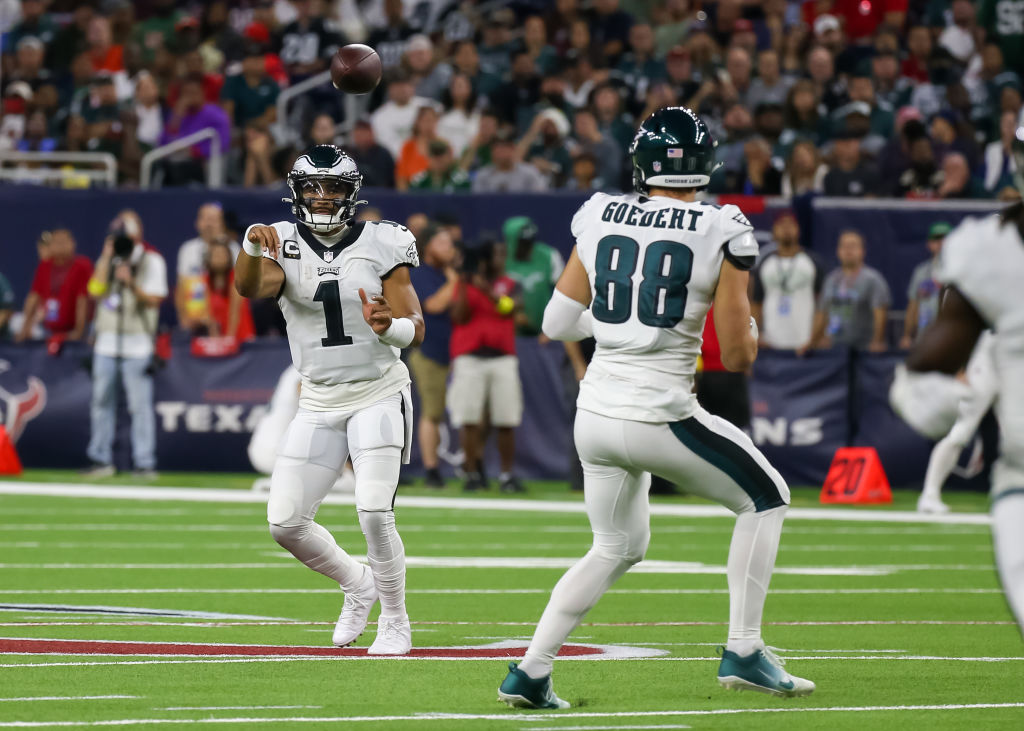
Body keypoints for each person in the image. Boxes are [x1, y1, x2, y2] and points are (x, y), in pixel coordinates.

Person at [498, 108, 813, 710]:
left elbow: (557, 320)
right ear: (704, 165)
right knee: (766, 497)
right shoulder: (721, 227)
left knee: (615, 546)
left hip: (593, 416)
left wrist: (620, 327)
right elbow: (740, 354)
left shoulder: (598, 212)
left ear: (642, 163)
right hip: (658, 411)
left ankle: (531, 671)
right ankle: (744, 648)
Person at [234, 144, 424, 655]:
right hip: (317, 399)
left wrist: (391, 327)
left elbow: (416, 326)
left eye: (333, 188)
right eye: (312, 188)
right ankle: (358, 584)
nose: (322, 198)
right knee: (286, 523)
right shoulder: (282, 241)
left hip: (378, 392)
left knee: (373, 511)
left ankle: (396, 620)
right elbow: (250, 288)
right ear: (296, 192)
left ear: (352, 193)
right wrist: (251, 249)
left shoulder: (385, 241)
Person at [891, 136, 1024, 636]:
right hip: (1020, 475)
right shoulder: (989, 246)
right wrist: (925, 385)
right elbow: (934, 359)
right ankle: (930, 492)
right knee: (963, 424)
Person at [83, 211, 168, 478]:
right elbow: (94, 291)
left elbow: (155, 299)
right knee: (100, 401)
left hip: (138, 343)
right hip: (106, 343)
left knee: (139, 405)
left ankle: (144, 462)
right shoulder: (108, 260)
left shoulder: (151, 261)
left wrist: (131, 284)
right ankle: (101, 459)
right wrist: (108, 257)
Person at [448, 240, 525, 493]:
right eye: (497, 253)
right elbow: (459, 316)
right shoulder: (466, 284)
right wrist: (464, 283)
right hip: (470, 356)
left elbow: (511, 308)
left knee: (506, 418)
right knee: (468, 418)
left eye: (503, 253)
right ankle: (472, 474)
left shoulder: (511, 284)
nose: (501, 258)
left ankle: (505, 475)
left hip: (502, 357)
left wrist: (485, 289)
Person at [916, 332, 998, 514]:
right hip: (989, 361)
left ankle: (1011, 496)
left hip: (1014, 362)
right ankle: (929, 494)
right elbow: (966, 323)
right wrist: (960, 367)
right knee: (961, 431)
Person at [408, 225, 458, 488]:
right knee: (432, 412)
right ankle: (431, 470)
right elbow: (434, 305)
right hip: (429, 352)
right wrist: (454, 281)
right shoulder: (421, 274)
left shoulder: (446, 273)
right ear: (428, 248)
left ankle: (474, 468)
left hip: (457, 352)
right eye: (443, 243)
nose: (450, 248)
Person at [804, 230, 891, 352]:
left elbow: (880, 314)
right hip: (834, 348)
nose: (848, 250)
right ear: (838, 251)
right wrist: (814, 340)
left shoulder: (873, 279)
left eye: (853, 246)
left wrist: (877, 341)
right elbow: (822, 313)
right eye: (844, 246)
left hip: (863, 349)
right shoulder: (831, 280)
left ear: (862, 251)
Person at [751, 211, 824, 350]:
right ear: (773, 231)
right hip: (771, 342)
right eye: (781, 224)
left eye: (791, 224)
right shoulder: (765, 263)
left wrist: (816, 338)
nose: (786, 229)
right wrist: (756, 336)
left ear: (799, 230)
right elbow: (756, 303)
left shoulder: (812, 262)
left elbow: (823, 304)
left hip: (804, 342)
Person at [15, 228, 92, 343]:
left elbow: (83, 300)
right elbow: (33, 296)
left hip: (73, 331)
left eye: (64, 242)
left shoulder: (82, 265)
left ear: (73, 244)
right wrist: (25, 327)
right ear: (50, 246)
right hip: (49, 329)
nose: (60, 246)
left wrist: (79, 331)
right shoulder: (44, 266)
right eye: (56, 242)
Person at [176, 202, 240, 333]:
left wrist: (231, 331)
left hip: (226, 319)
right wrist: (184, 320)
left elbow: (239, 292)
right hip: (196, 321)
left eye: (214, 219)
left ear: (222, 223)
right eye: (205, 219)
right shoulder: (187, 249)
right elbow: (180, 288)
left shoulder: (233, 249)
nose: (209, 224)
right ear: (197, 222)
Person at [502, 216, 564, 337]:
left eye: (530, 242)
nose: (529, 248)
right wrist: (513, 314)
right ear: (511, 241)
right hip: (509, 335)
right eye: (523, 243)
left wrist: (554, 328)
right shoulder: (500, 260)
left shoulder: (549, 255)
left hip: (545, 334)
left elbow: (566, 296)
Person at [901, 222, 950, 348]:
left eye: (945, 238)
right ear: (929, 244)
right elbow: (913, 304)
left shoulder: (961, 271)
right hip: (924, 337)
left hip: (951, 338)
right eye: (936, 239)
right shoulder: (921, 272)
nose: (941, 242)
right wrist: (907, 335)